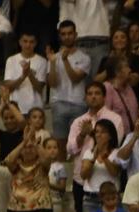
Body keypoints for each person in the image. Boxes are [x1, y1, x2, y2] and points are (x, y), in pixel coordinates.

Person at [68, 82, 125, 212]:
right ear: (85, 97)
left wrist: (95, 138)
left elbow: (113, 143)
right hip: (82, 180)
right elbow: (70, 149)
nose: (93, 97)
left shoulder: (115, 119)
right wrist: (82, 134)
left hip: (109, 184)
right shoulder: (78, 122)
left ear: (104, 97)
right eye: (90, 94)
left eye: (97, 93)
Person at [4, 130, 53, 212]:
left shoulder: (42, 165)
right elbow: (8, 160)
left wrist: (35, 144)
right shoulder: (16, 165)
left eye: (31, 147)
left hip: (41, 211)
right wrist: (24, 142)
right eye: (25, 147)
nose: (28, 150)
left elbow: (48, 158)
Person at [48, 21, 91, 162]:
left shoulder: (84, 57)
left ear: (76, 35)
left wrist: (65, 60)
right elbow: (52, 83)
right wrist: (53, 63)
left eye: (70, 33)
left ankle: (75, 178)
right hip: (58, 102)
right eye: (63, 34)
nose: (67, 37)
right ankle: (61, 178)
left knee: (77, 144)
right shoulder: (54, 58)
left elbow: (75, 78)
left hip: (78, 103)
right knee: (59, 144)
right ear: (60, 36)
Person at [80, 120, 122, 212]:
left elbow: (114, 172)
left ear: (110, 136)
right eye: (97, 132)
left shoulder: (117, 152)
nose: (99, 135)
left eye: (103, 132)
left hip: (111, 199)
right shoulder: (88, 153)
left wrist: (104, 157)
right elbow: (84, 175)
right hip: (91, 200)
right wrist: (94, 157)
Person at [4, 32, 48, 115]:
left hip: (35, 109)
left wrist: (30, 74)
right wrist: (22, 77)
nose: (28, 45)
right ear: (20, 42)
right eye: (25, 41)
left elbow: (39, 88)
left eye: (31, 42)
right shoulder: (11, 60)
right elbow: (8, 86)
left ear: (35, 43)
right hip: (16, 109)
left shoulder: (42, 61)